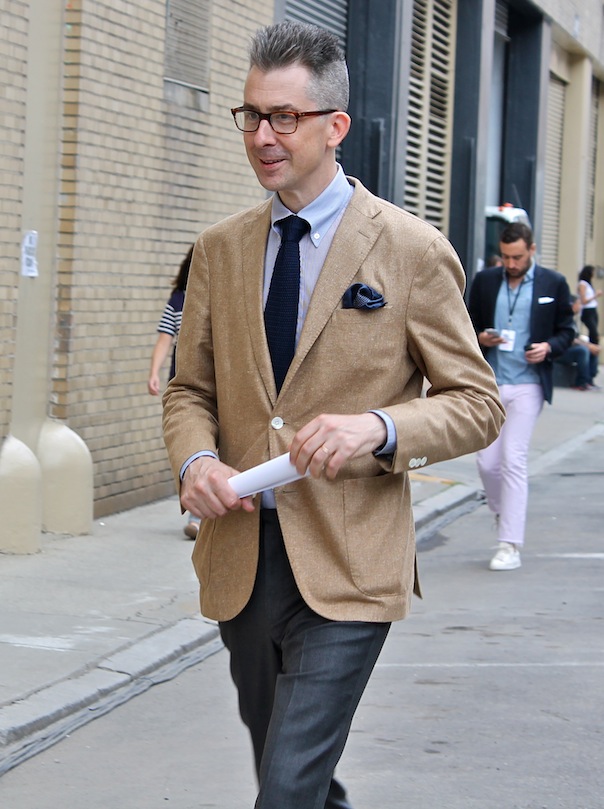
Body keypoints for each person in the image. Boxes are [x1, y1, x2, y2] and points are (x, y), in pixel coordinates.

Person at [163, 20, 504, 809]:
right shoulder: (218, 248)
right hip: (242, 555)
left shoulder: (412, 251)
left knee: (284, 791)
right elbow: (191, 390)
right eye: (251, 115)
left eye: (284, 116)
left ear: (335, 126)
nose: (262, 136)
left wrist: (378, 427)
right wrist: (196, 463)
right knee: (294, 778)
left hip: (351, 563)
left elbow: (477, 403)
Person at [468, 222, 574, 572]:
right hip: (491, 382)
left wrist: (548, 347)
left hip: (529, 383)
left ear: (531, 250)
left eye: (517, 257)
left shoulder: (553, 283)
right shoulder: (486, 281)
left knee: (513, 459)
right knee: (486, 462)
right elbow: (465, 323)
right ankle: (503, 515)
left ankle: (509, 544)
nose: (511, 264)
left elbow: (566, 332)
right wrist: (481, 338)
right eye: (506, 257)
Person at [148, 245, 200, 539]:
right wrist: (153, 373)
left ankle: (201, 513)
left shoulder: (220, 296)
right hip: (182, 385)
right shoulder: (178, 301)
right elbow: (164, 339)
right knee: (188, 441)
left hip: (218, 381)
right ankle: (196, 509)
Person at [555, 295, 601, 391]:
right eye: (578, 304)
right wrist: (588, 346)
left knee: (593, 349)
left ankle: (589, 381)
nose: (580, 307)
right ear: (572, 305)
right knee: (583, 350)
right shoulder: (562, 319)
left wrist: (591, 345)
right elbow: (568, 339)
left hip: (570, 349)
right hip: (560, 352)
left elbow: (577, 337)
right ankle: (581, 382)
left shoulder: (573, 320)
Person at [577, 264, 601, 346]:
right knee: (595, 334)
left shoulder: (588, 284)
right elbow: (583, 300)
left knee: (592, 334)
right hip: (587, 311)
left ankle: (593, 352)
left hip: (593, 309)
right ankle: (593, 350)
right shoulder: (583, 284)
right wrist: (595, 295)